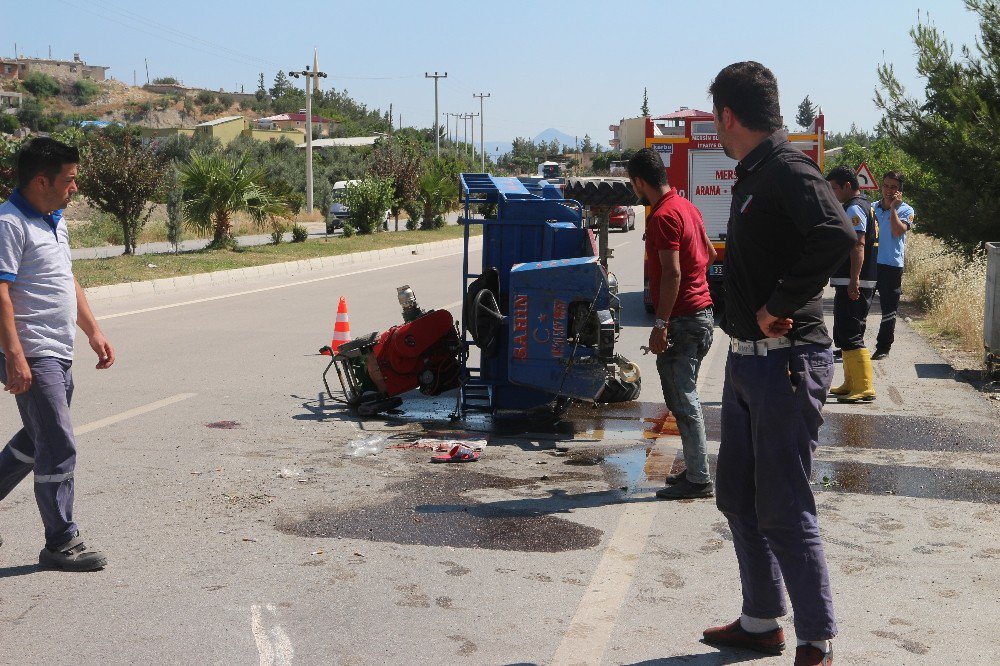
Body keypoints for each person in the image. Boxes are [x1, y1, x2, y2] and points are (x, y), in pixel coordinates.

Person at [701, 62, 855, 666]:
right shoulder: (755, 174)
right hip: (747, 363)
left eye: (715, 118)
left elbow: (836, 233)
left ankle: (816, 641)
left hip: (787, 364)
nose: (715, 127)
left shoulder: (788, 168)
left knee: (784, 504)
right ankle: (761, 620)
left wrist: (779, 303)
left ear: (728, 115)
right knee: (738, 496)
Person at [0, 137, 115, 571]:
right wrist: (15, 355)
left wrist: (93, 331)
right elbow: (0, 293)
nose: (75, 187)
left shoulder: (54, 220)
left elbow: (67, 279)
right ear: (41, 180)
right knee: (58, 443)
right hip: (32, 352)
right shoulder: (9, 223)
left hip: (57, 349)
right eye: (69, 179)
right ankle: (61, 541)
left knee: (39, 438)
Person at [628, 148, 716, 500]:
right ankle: (695, 469)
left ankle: (699, 479)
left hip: (683, 320)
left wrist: (661, 323)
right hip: (702, 315)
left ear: (639, 182)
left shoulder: (663, 216)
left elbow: (672, 273)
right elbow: (709, 254)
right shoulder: (687, 207)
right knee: (684, 396)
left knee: (683, 400)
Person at [826, 166, 878, 403]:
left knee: (851, 332)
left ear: (848, 186)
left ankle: (864, 386)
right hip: (850, 279)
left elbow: (858, 244)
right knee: (844, 332)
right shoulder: (862, 205)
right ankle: (850, 382)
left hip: (854, 280)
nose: (832, 193)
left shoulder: (855, 207)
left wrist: (854, 279)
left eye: (834, 188)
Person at [871, 171, 914, 360]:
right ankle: (853, 346)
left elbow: (897, 231)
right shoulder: (871, 207)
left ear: (900, 190)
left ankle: (883, 347)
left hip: (891, 266)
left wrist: (893, 209)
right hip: (870, 264)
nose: (889, 190)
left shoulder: (907, 210)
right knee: (859, 306)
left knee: (889, 309)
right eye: (886, 186)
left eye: (893, 187)